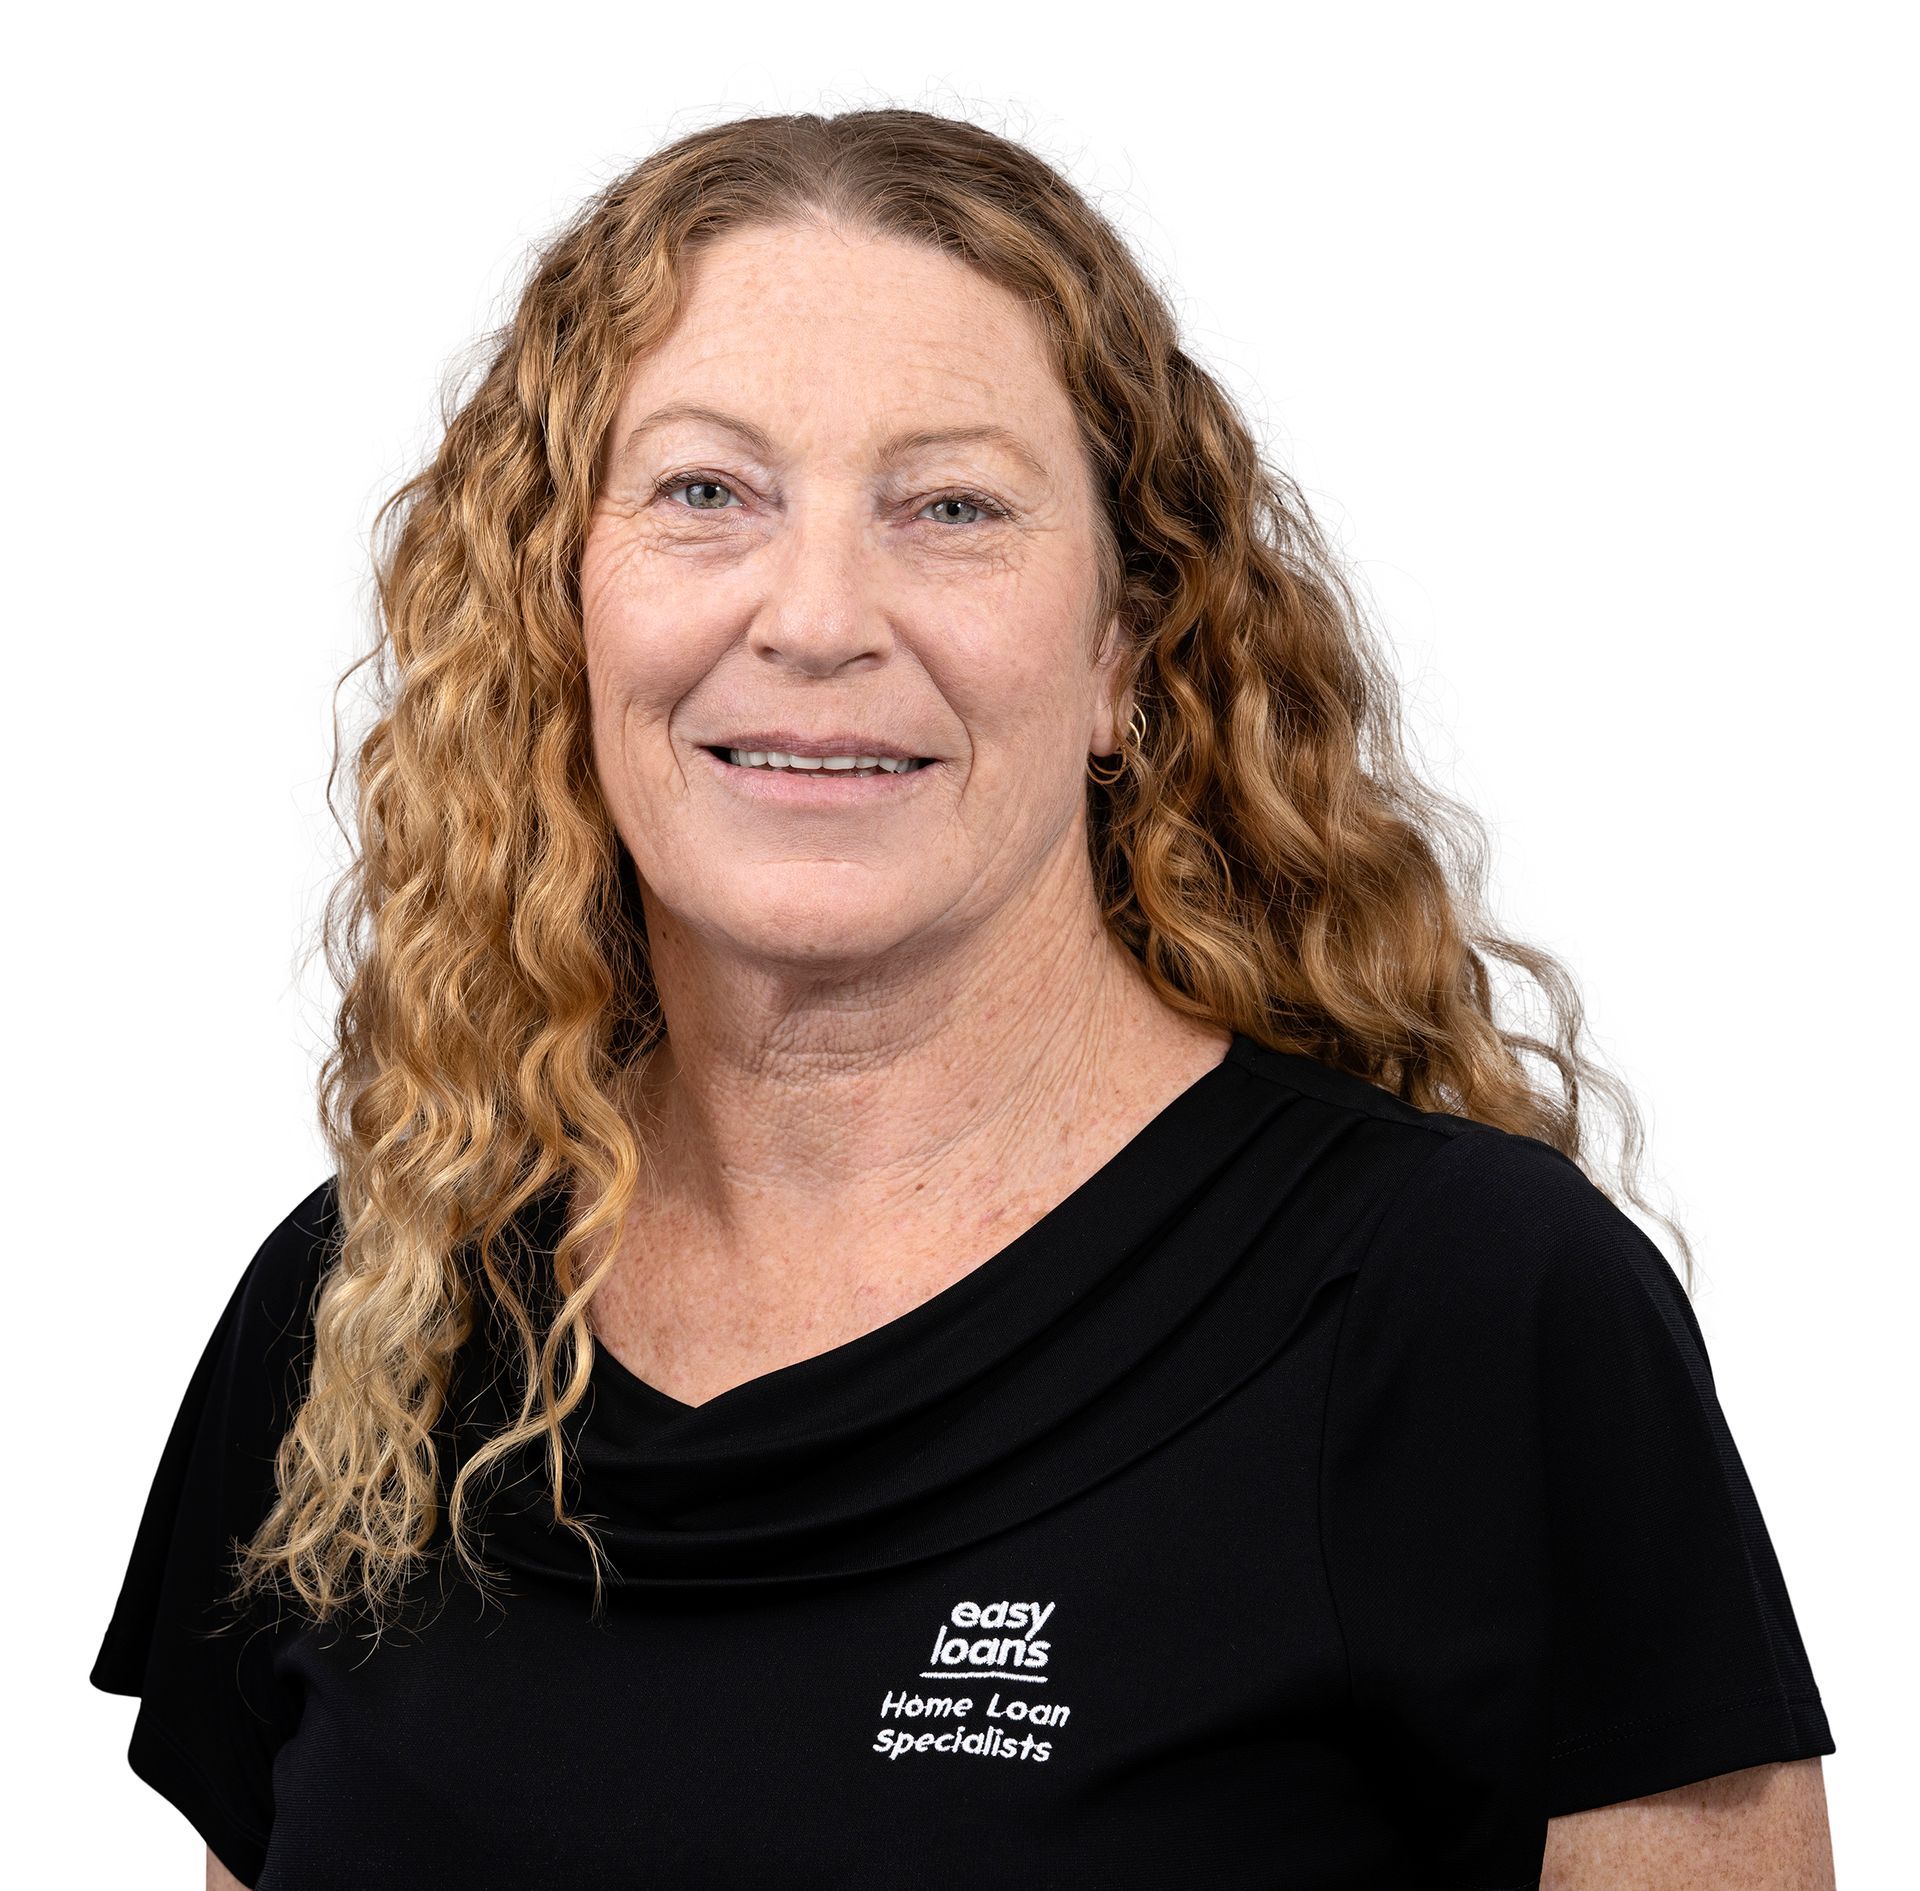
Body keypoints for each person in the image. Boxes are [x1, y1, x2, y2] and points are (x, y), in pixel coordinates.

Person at [88, 108, 1837, 1889]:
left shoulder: (1466, 1312)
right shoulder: (361, 1321)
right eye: (708, 493)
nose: (819, 615)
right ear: (562, 612)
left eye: (951, 508)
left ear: (1120, 654)